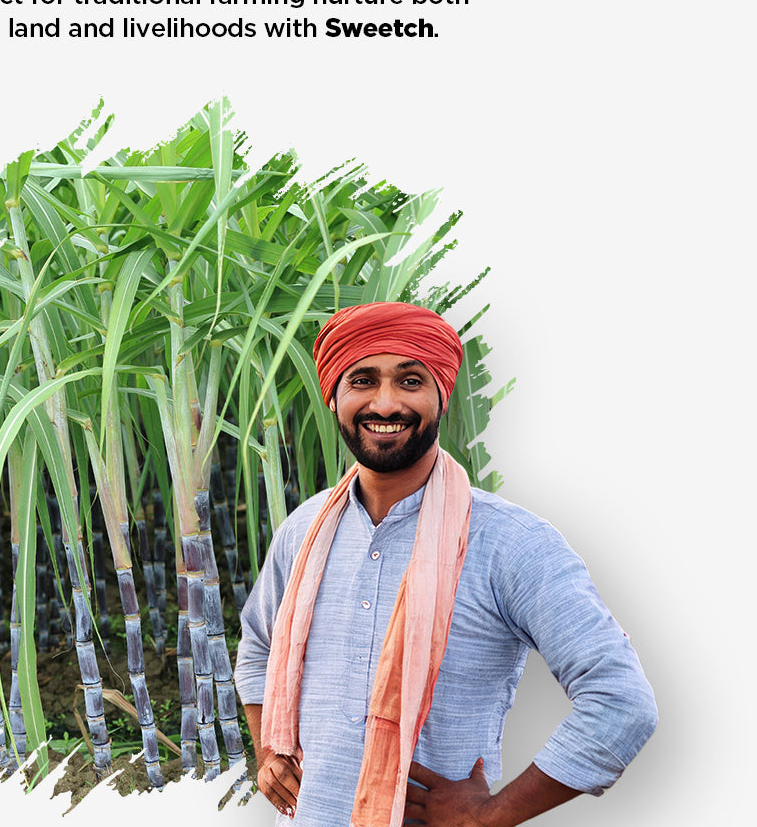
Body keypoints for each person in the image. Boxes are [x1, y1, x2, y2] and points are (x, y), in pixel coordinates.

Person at [234, 302, 657, 827]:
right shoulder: (306, 528)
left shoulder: (510, 542)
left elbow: (621, 702)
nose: (385, 404)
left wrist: (492, 815)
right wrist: (267, 751)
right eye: (362, 380)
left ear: (441, 395)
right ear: (335, 397)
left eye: (410, 381)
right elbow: (258, 644)